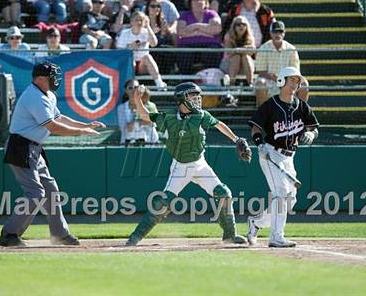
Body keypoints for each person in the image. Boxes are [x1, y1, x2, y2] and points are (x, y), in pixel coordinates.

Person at [126, 81, 250, 246]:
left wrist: (236, 139)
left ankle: (230, 234)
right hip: (180, 166)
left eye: (198, 96)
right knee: (164, 201)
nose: (197, 100)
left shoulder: (201, 115)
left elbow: (219, 124)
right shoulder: (169, 117)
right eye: (193, 96)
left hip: (199, 163)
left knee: (224, 193)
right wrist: (137, 99)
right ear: (181, 99)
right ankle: (136, 236)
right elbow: (145, 116)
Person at [0, 62, 106, 247]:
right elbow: (53, 126)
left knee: (51, 190)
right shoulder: (34, 96)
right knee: (36, 194)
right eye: (51, 77)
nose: (55, 80)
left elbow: (59, 117)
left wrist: (84, 125)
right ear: (40, 78)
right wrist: (81, 133)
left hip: (34, 147)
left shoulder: (48, 94)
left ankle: (60, 234)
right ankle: (9, 233)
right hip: (20, 146)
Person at [247, 67, 319, 248]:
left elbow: (313, 127)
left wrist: (311, 134)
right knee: (280, 193)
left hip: (289, 158)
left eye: (297, 81)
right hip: (270, 154)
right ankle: (277, 237)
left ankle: (257, 223)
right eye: (292, 80)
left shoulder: (301, 106)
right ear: (281, 81)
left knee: (290, 199)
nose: (296, 84)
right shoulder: (271, 105)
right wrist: (259, 144)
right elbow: (255, 126)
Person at [254, 20, 303, 107]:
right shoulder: (263, 48)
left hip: (288, 81)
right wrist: (274, 77)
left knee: (304, 84)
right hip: (269, 80)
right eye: (275, 31)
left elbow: (295, 71)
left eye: (280, 31)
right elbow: (261, 71)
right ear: (270, 33)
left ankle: (301, 115)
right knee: (260, 83)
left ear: (284, 33)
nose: (278, 34)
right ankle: (262, 115)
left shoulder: (291, 49)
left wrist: (284, 79)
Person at [176, 0, 222, 74]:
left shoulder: (212, 14)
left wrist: (196, 26)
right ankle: (187, 80)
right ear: (190, 2)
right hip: (188, 46)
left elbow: (217, 29)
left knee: (212, 52)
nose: (199, 2)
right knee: (183, 54)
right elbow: (180, 31)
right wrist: (204, 32)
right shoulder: (184, 15)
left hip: (209, 45)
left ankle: (211, 79)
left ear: (206, 2)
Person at [116, 11, 166, 89]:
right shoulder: (125, 33)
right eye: (136, 20)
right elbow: (119, 51)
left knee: (147, 57)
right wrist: (130, 48)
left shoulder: (146, 32)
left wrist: (148, 26)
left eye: (141, 20)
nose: (139, 22)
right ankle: (129, 87)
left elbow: (154, 44)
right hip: (130, 63)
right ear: (131, 21)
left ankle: (160, 84)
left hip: (142, 65)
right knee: (130, 60)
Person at [117, 80, 159, 145]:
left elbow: (155, 122)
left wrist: (135, 123)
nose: (134, 90)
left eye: (136, 87)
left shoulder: (151, 105)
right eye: (130, 88)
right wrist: (143, 122)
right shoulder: (121, 108)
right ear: (126, 91)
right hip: (127, 143)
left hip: (150, 142)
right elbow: (124, 127)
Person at [221, 15, 256, 86]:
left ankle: (250, 84)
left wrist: (237, 50)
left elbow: (252, 52)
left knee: (245, 57)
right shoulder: (228, 36)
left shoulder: (250, 37)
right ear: (234, 26)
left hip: (245, 64)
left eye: (243, 24)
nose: (241, 26)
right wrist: (243, 50)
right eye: (238, 24)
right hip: (228, 64)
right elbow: (229, 52)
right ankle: (231, 85)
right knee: (236, 57)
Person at [145, 0, 174, 74]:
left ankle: (165, 78)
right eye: (153, 6)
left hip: (160, 49)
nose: (156, 8)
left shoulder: (162, 22)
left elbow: (167, 39)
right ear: (147, 8)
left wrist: (164, 31)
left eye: (158, 6)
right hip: (147, 48)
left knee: (167, 50)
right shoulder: (143, 21)